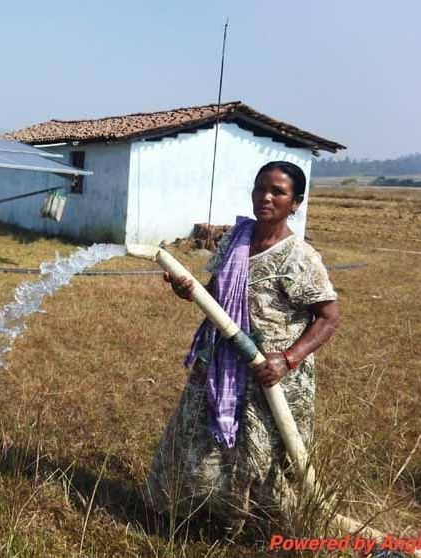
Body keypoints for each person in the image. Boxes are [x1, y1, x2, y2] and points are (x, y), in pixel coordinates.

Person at [145, 161, 341, 537]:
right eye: (260, 188)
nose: (265, 197)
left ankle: (262, 529)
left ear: (295, 203)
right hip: (223, 362)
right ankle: (193, 514)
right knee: (198, 439)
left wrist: (287, 359)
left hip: (271, 376)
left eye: (278, 192)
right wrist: (187, 291)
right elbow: (219, 295)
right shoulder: (237, 239)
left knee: (265, 454)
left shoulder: (300, 258)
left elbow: (329, 318)